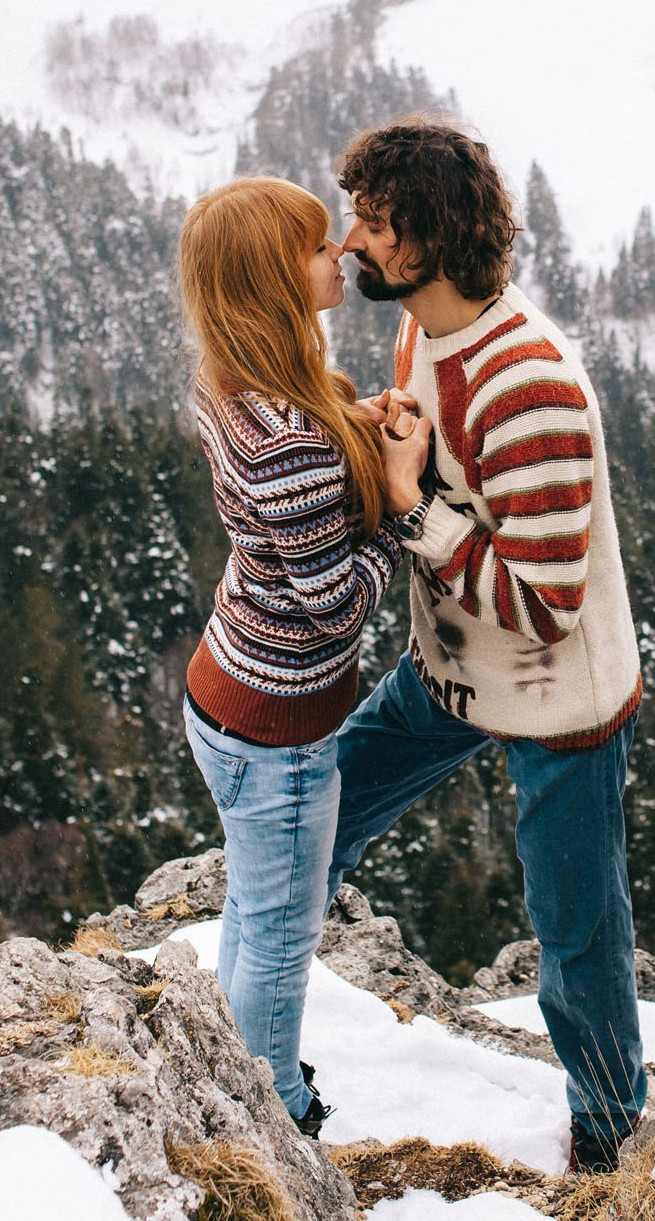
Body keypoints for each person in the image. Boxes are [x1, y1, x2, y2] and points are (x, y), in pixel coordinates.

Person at [327, 118, 648, 1174]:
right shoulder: (423, 334)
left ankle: (612, 1147)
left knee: (577, 939)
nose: (353, 240)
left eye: (375, 223)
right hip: (452, 670)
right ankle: (249, 975)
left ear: (430, 240)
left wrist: (412, 505)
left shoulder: (528, 384)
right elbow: (439, 469)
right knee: (322, 805)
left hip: (557, 702)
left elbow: (545, 602)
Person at [175, 176, 435, 1134]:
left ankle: (234, 1069)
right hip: (278, 733)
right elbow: (333, 608)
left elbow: (293, 497)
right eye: (317, 246)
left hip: (228, 691)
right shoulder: (289, 440)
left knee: (254, 905)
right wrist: (400, 505)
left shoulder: (238, 383)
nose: (341, 255)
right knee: (282, 938)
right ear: (271, 282)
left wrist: (356, 436)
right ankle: (272, 1117)